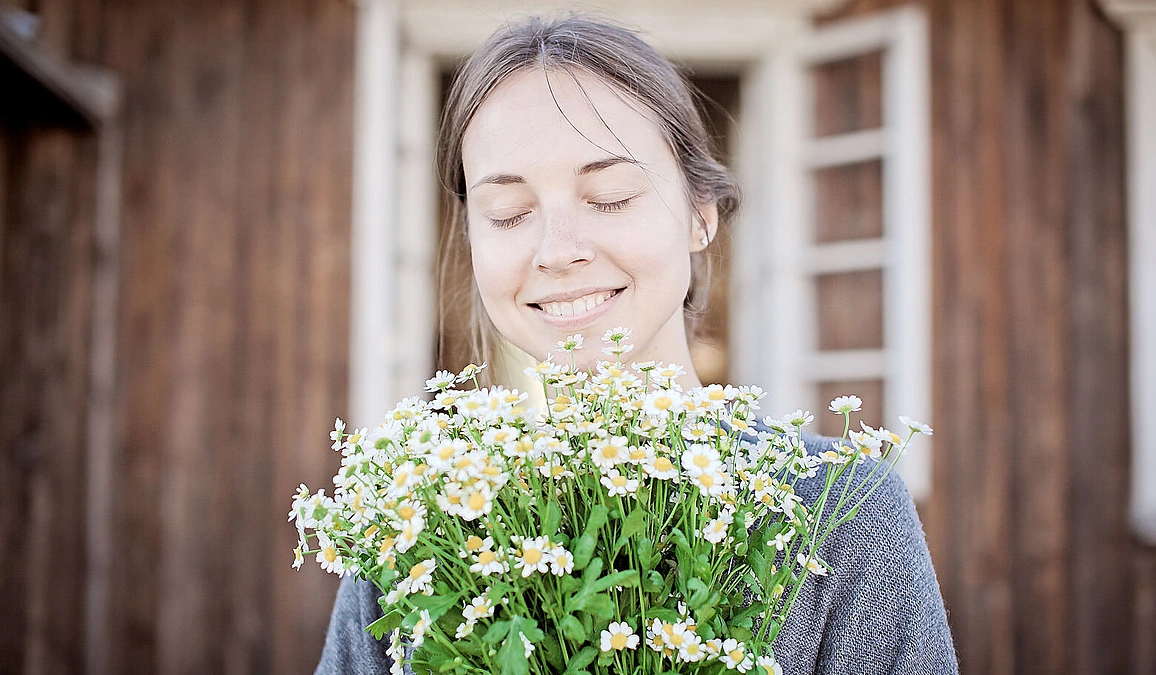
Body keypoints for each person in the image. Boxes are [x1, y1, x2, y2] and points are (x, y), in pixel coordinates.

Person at [314, 13, 959, 675]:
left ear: (700, 215)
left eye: (611, 197)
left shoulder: (841, 515)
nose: (557, 251)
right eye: (508, 212)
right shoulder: (418, 538)